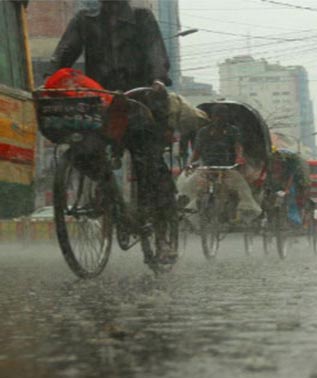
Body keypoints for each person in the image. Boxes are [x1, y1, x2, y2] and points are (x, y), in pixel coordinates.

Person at [50, 0, 176, 262]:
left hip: (139, 102)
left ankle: (162, 235)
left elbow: (156, 54)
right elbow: (63, 54)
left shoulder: (142, 18)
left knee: (150, 164)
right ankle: (109, 198)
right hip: (100, 104)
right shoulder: (84, 19)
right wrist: (51, 77)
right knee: (85, 151)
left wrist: (157, 79)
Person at [183, 104, 262, 223]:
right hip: (207, 168)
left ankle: (247, 209)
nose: (219, 119)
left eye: (222, 116)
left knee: (241, 187)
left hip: (227, 168)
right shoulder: (203, 132)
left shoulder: (233, 131)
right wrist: (190, 164)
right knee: (189, 185)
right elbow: (197, 151)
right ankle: (191, 210)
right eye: (217, 116)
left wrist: (239, 158)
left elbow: (238, 147)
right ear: (212, 117)